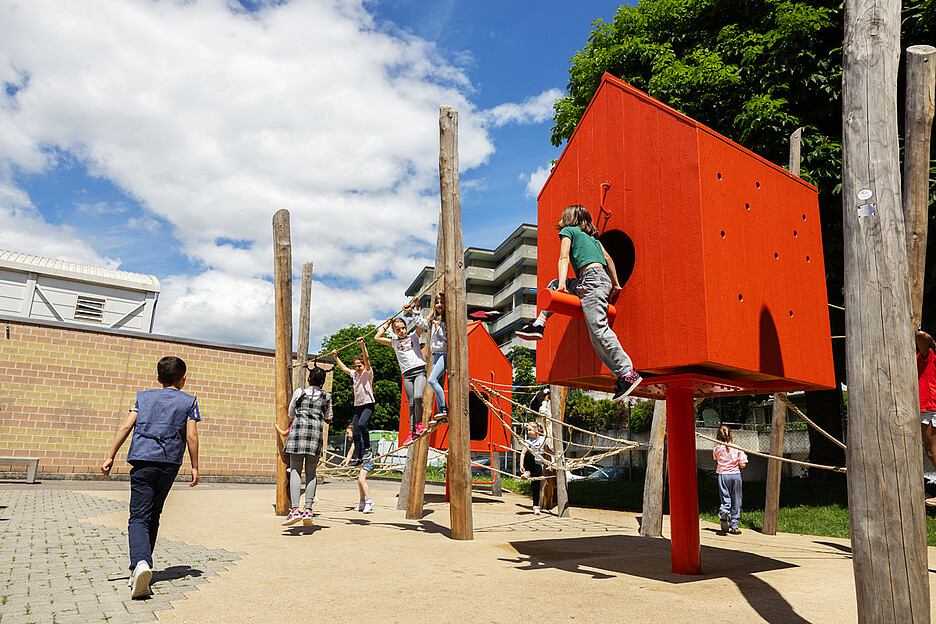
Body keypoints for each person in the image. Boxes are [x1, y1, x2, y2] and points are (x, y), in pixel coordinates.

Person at [517, 204, 641, 403]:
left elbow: (563, 258)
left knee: (599, 330)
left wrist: (564, 286)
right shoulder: (593, 238)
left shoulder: (569, 231)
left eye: (562, 216)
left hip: (590, 280)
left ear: (569, 218)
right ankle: (538, 324)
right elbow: (608, 259)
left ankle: (627, 372)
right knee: (554, 287)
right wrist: (615, 284)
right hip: (599, 280)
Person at [101, 356, 200, 599]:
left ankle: (140, 564)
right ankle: (143, 564)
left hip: (143, 460)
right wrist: (195, 466)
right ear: (183, 378)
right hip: (169, 464)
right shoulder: (190, 401)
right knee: (154, 513)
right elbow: (192, 437)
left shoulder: (143, 398)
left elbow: (126, 426)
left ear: (158, 378)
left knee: (138, 516)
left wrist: (110, 455)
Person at [275, 365, 332, 527]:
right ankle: (308, 510)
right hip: (315, 437)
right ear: (323, 381)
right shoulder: (327, 396)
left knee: (295, 471)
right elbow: (329, 416)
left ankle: (294, 510)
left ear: (309, 379)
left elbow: (291, 412)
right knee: (311, 473)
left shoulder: (300, 392)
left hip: (298, 434)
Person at [375, 305, 428, 444]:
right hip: (407, 374)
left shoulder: (414, 337)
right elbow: (377, 337)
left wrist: (413, 311)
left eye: (403, 328)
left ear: (406, 327)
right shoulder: (394, 343)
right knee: (410, 404)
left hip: (419, 370)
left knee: (418, 397)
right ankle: (412, 432)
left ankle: (419, 424)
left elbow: (421, 324)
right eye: (398, 330)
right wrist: (387, 324)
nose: (402, 331)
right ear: (394, 331)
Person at [332, 338, 374, 466]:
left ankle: (368, 448)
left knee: (362, 424)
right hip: (358, 407)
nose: (357, 368)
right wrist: (335, 357)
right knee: (355, 432)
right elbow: (344, 368)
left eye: (359, 366)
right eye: (355, 366)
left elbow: (366, 359)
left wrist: (362, 344)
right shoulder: (354, 374)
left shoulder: (367, 373)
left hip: (368, 405)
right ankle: (358, 458)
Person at [713, 425, 747, 535]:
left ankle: (724, 513)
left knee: (725, 498)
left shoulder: (717, 448)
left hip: (723, 476)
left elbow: (715, 458)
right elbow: (742, 465)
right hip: (735, 475)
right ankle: (734, 526)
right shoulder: (737, 448)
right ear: (731, 435)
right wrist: (745, 456)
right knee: (736, 499)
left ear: (718, 436)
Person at [915, 330, 936, 506]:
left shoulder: (927, 355)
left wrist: (932, 344)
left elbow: (921, 336)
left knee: (931, 451)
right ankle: (919, 489)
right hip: (917, 409)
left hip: (929, 409)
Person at [422, 292, 449, 421]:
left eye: (442, 303)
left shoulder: (447, 320)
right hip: (436, 353)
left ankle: (444, 408)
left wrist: (438, 328)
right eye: (437, 302)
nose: (439, 305)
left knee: (432, 380)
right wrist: (414, 310)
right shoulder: (434, 320)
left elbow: (448, 337)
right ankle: (441, 413)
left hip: (445, 353)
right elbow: (421, 323)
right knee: (438, 383)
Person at [519, 422, 551, 515]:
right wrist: (521, 464)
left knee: (536, 486)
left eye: (530, 430)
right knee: (529, 452)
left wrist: (556, 454)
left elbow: (547, 451)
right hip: (530, 464)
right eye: (527, 430)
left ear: (536, 430)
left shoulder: (543, 440)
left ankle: (536, 506)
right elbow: (523, 453)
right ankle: (527, 473)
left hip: (538, 464)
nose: (528, 432)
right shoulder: (528, 441)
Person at [341, 424, 374, 513]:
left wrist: (347, 463)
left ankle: (369, 501)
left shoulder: (359, 440)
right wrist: (346, 464)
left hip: (368, 460)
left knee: (361, 480)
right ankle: (362, 502)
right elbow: (350, 453)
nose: (347, 435)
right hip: (362, 461)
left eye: (348, 433)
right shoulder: (356, 441)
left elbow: (350, 453)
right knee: (359, 481)